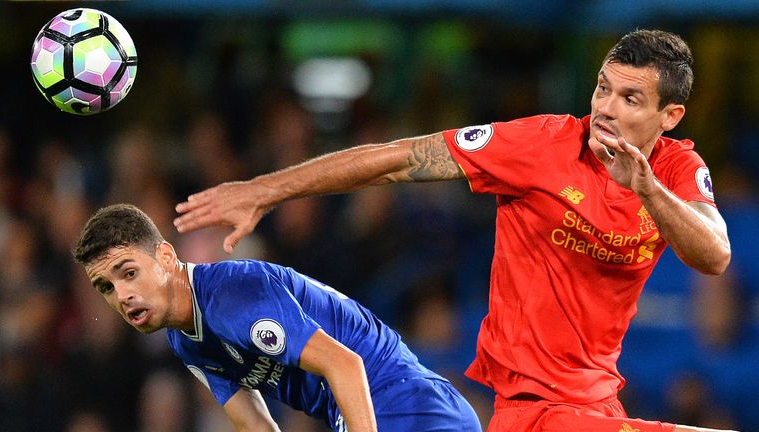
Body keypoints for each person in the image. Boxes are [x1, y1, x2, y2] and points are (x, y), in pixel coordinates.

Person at [174, 29, 737, 432]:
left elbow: (713, 255)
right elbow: (397, 159)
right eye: (601, 88)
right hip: (534, 409)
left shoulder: (674, 171)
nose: (606, 109)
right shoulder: (540, 146)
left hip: (599, 403)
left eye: (630, 98)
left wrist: (646, 189)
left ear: (670, 117)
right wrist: (265, 190)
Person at [72, 203, 482, 432]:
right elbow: (255, 425)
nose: (122, 295)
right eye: (106, 287)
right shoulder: (184, 339)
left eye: (129, 273)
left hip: (403, 405)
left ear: (165, 256)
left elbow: (345, 363)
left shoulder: (233, 295)